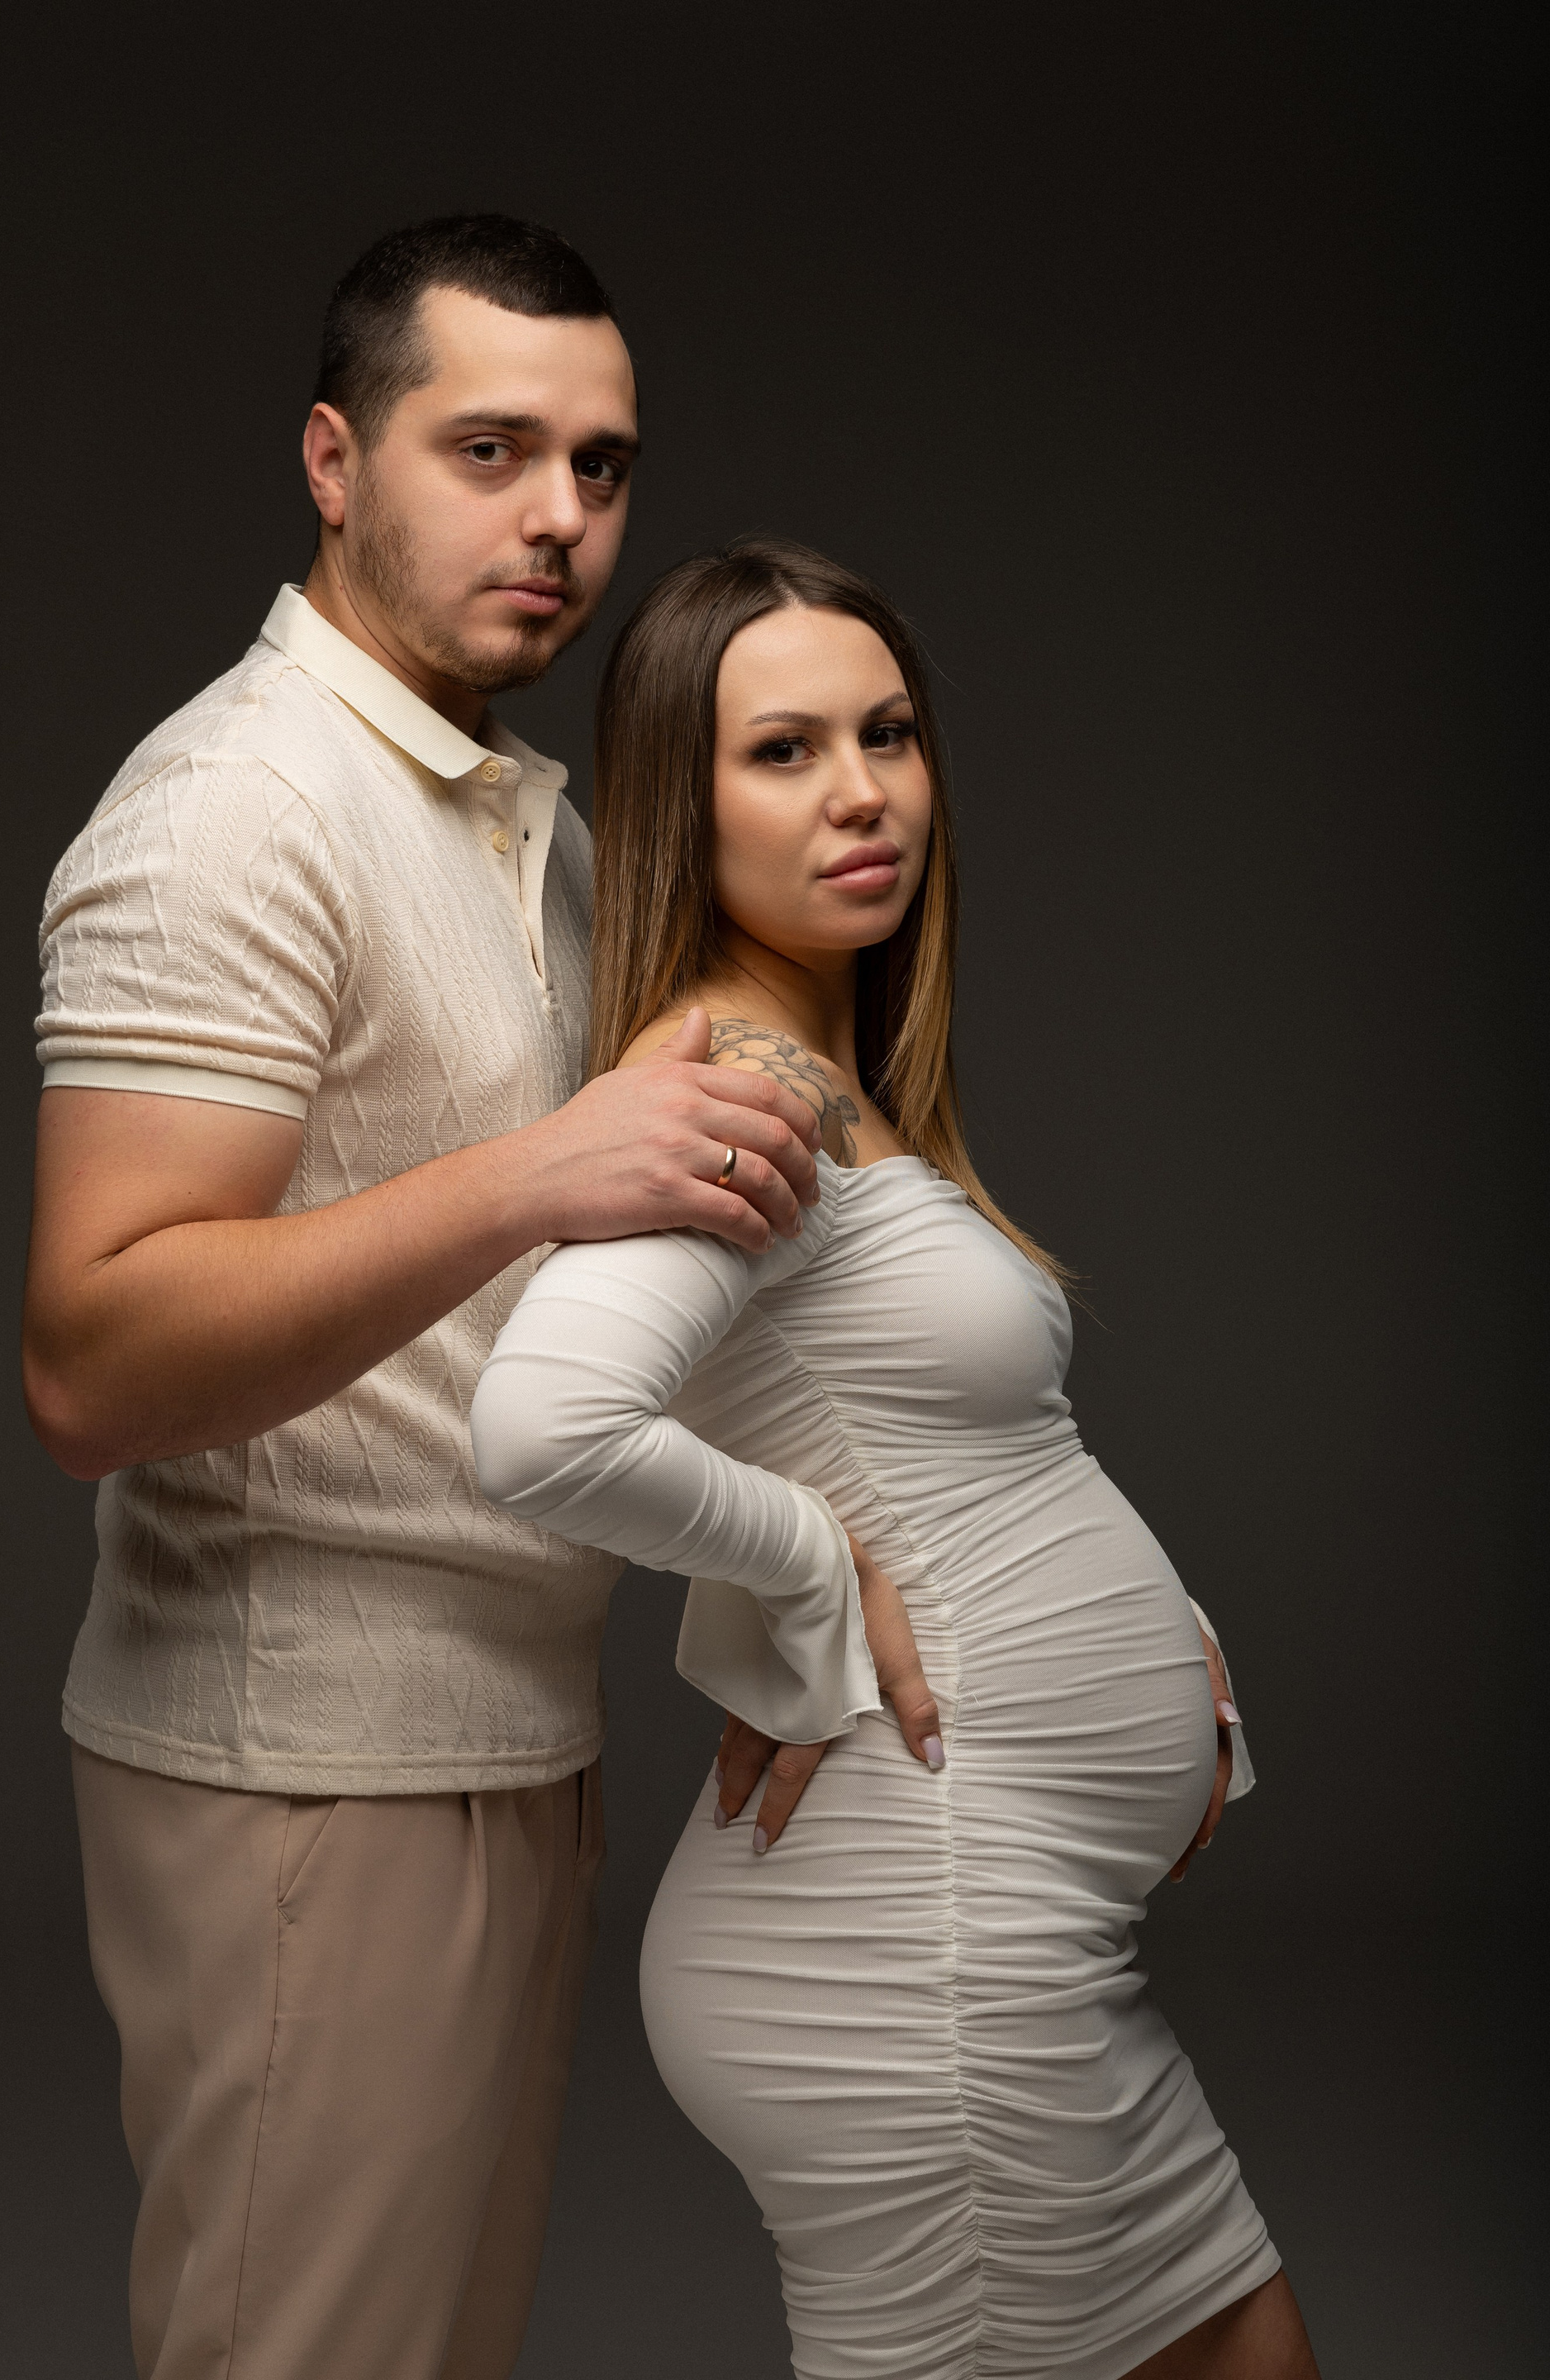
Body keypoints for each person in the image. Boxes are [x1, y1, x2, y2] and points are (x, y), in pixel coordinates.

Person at [21, 217, 844, 2380]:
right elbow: (90, 1363)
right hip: (308, 1766)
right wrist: (534, 1176)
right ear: (333, 459)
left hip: (504, 1735)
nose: (559, 518)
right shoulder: (236, 810)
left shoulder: (513, 821)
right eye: (490, 451)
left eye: (600, 465)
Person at [471, 538, 1320, 2378]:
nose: (863, 792)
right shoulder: (738, 1085)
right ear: (680, 807)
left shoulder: (826, 1077)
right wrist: (803, 1569)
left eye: (890, 732)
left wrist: (1163, 1644)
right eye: (784, 751)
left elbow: (959, 1453)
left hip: (985, 1926)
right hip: (917, 1952)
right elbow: (545, 1426)